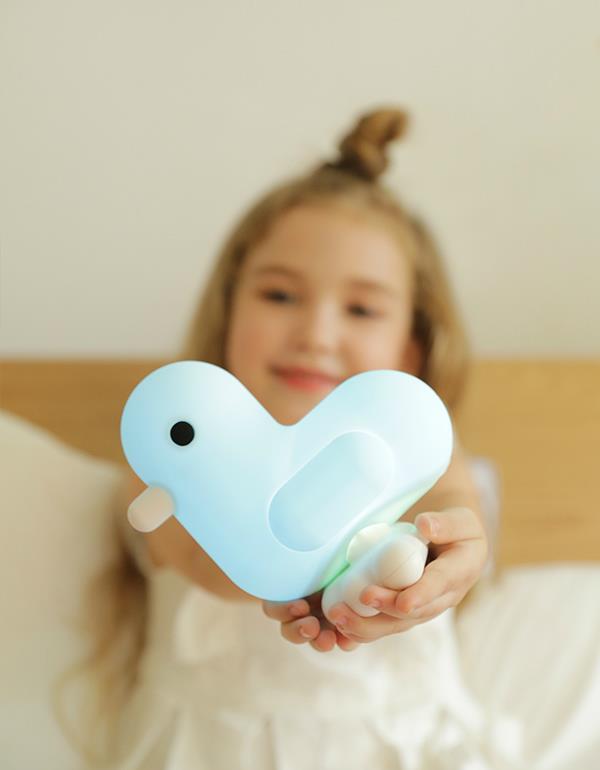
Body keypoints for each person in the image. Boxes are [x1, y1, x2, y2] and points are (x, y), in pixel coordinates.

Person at [57, 107, 600, 769]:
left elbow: (453, 516)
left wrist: (442, 567)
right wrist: (290, 563)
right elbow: (202, 559)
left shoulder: (422, 460)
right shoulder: (170, 459)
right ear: (229, 312)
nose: (315, 334)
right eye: (280, 296)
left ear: (410, 347)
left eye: (362, 308)